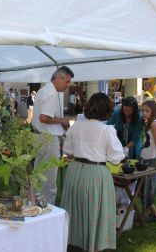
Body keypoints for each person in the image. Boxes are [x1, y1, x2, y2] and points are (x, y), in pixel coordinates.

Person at [60, 93, 124, 252]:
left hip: (75, 171)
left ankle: (73, 239)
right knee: (95, 210)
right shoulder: (107, 130)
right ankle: (93, 245)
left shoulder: (76, 127)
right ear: (107, 110)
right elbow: (116, 158)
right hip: (96, 173)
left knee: (75, 207)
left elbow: (68, 152)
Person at [31, 66, 73, 204]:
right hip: (48, 139)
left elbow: (44, 118)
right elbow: (44, 118)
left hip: (40, 137)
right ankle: (47, 209)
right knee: (49, 180)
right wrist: (62, 120)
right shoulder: (51, 93)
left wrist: (60, 122)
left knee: (39, 175)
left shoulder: (44, 90)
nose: (68, 85)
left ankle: (35, 204)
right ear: (58, 78)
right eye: (67, 81)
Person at [140, 100, 156, 222]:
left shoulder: (154, 124)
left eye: (147, 111)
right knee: (143, 188)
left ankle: (155, 215)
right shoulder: (149, 122)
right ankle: (147, 214)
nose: (144, 113)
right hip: (145, 158)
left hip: (151, 160)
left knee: (148, 189)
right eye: (143, 110)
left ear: (153, 111)